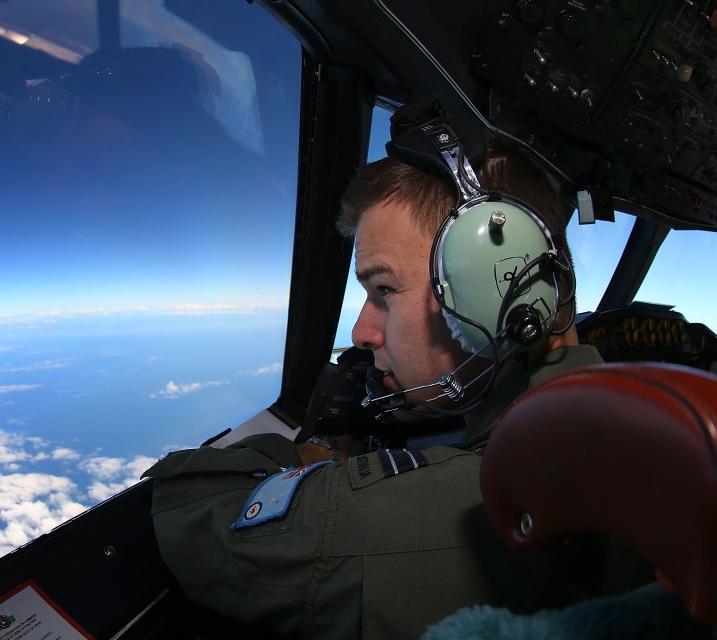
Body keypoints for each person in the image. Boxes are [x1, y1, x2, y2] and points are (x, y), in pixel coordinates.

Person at [143, 111, 649, 639]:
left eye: (383, 290)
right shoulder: (613, 417)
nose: (362, 332)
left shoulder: (482, 507)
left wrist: (308, 455)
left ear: (499, 292)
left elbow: (187, 511)